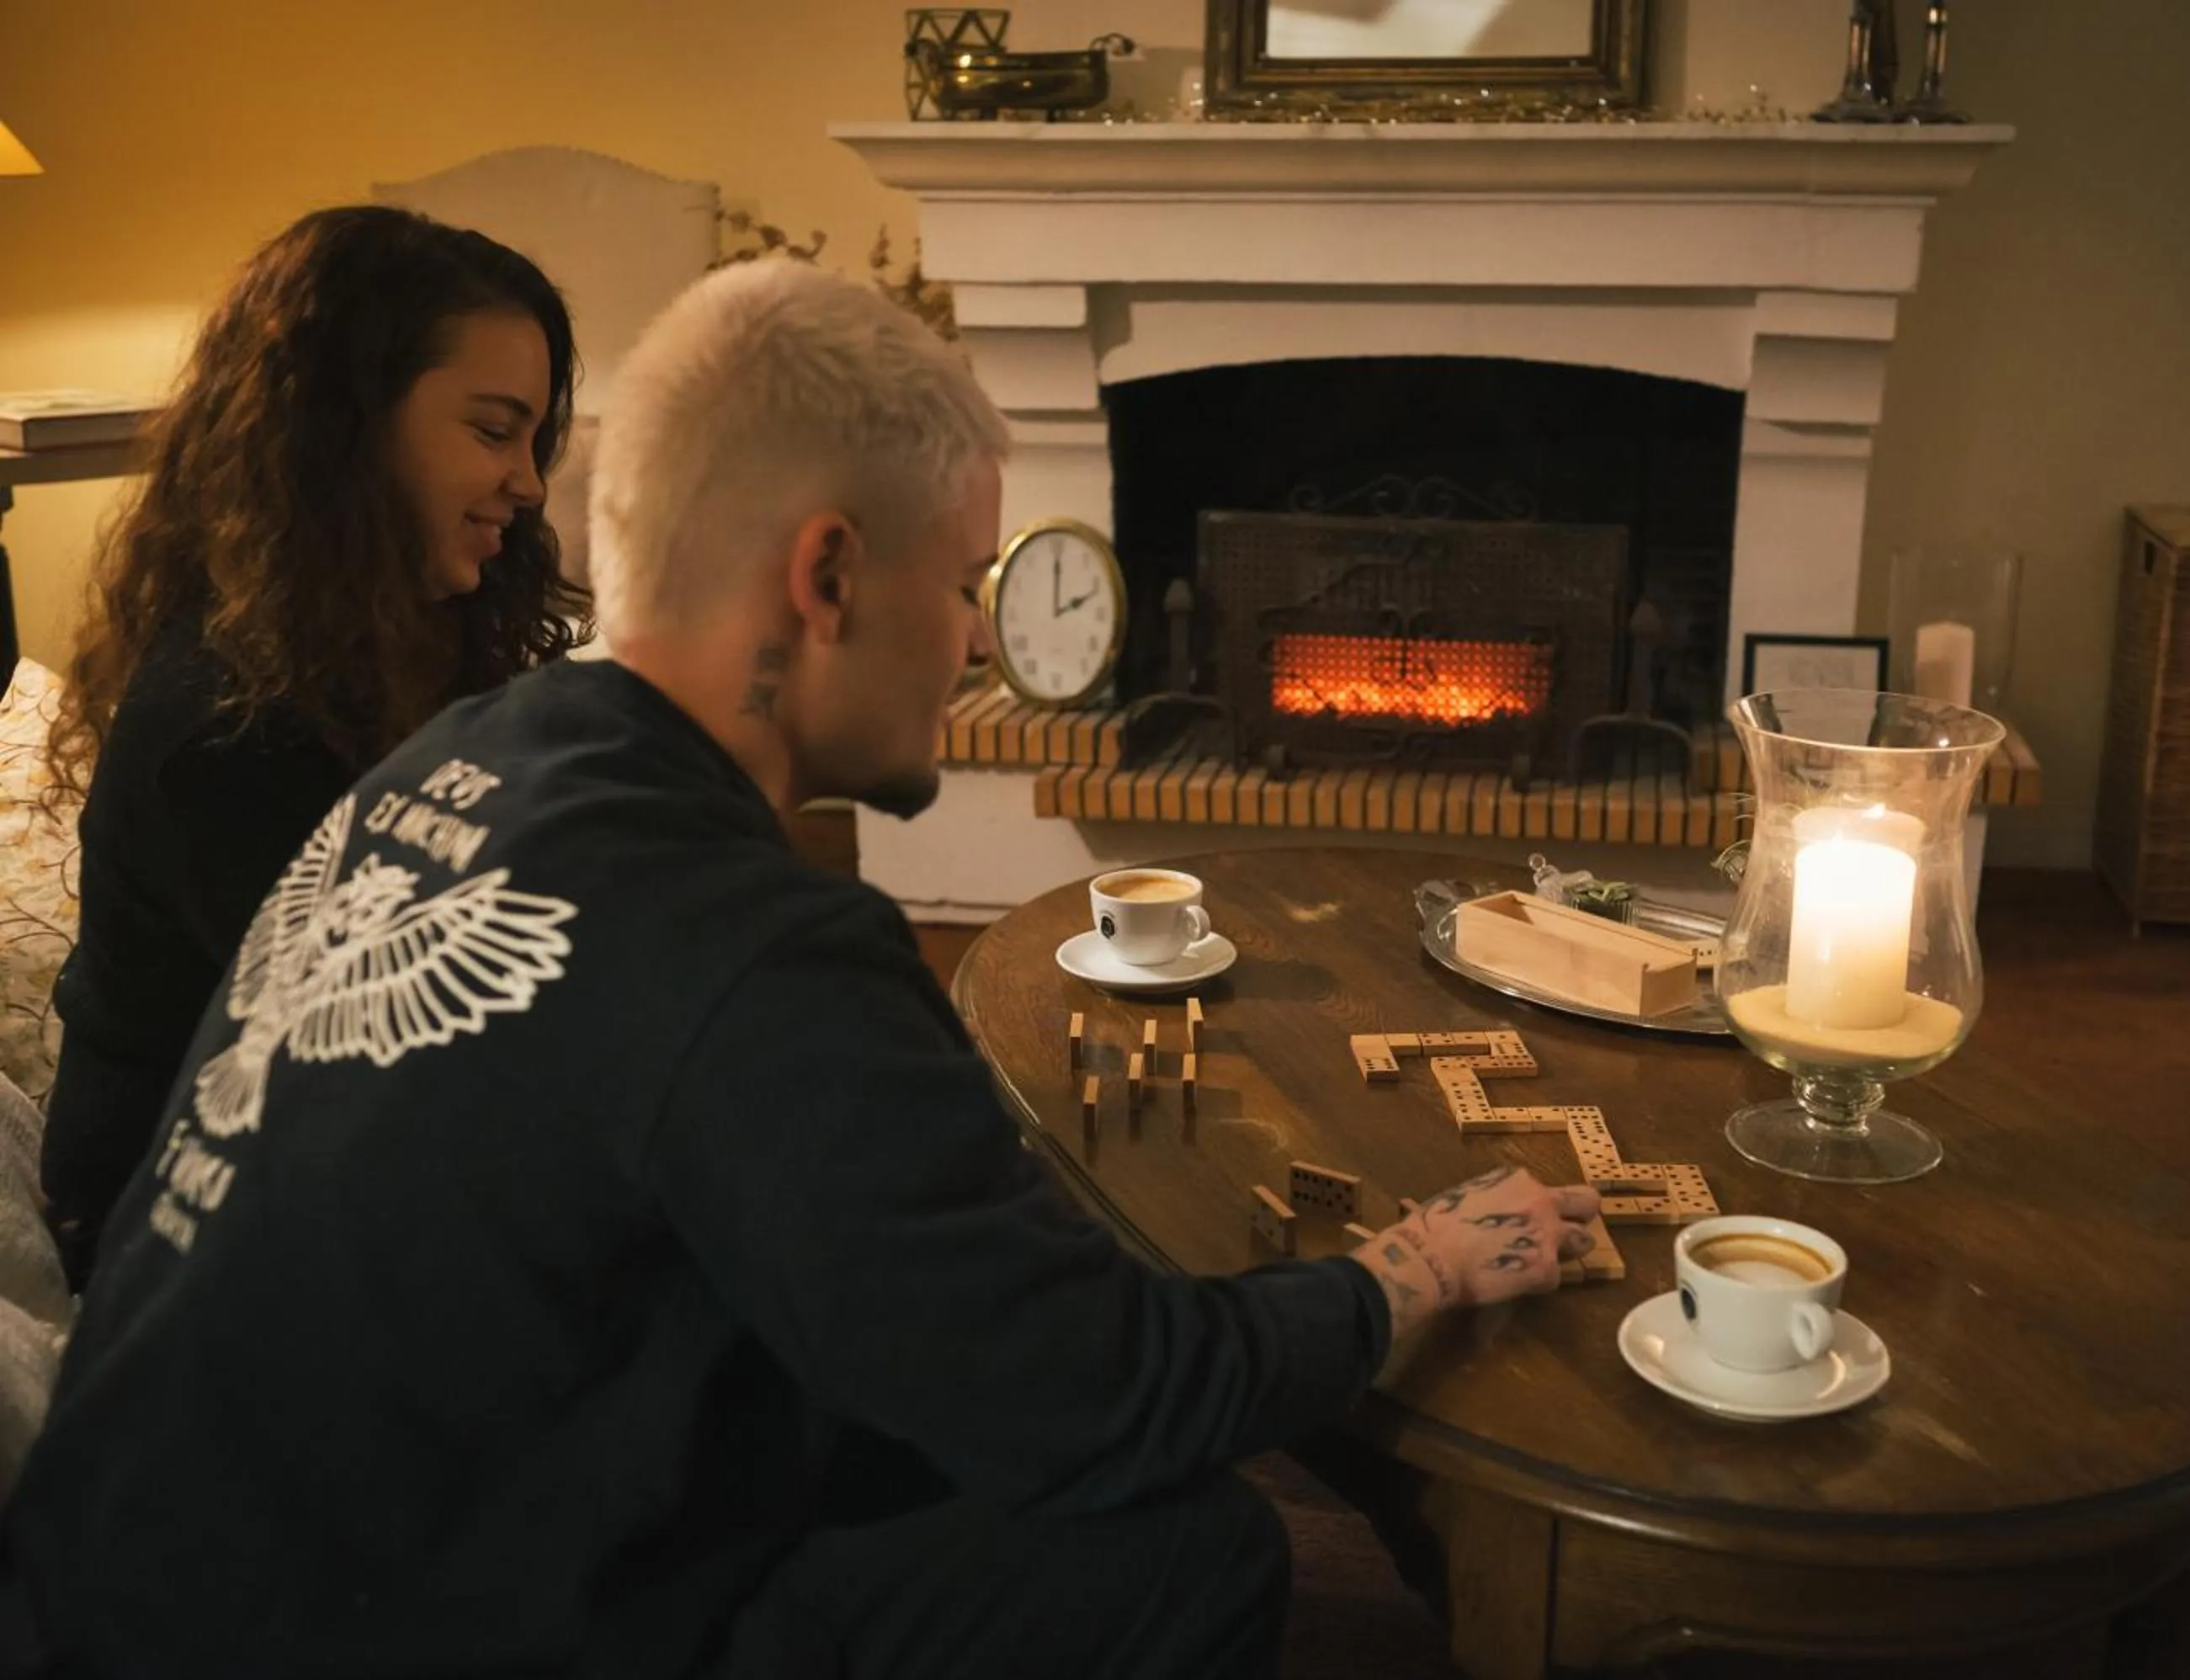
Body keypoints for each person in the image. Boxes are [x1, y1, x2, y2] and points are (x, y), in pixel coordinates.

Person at [1, 260, 1602, 1677]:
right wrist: (1416, 1271)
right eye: (963, 585)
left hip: (127, 1577)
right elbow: (1100, 1395)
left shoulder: (463, 759)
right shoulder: (746, 944)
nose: (980, 645)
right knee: (1192, 1550)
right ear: (827, 576)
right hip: (353, 1626)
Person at [35, 205, 588, 1286]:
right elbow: (403, 1070)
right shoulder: (227, 725)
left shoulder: (419, 646)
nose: (528, 483)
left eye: (534, 439)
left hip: (344, 1158)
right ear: (347, 427)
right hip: (186, 1230)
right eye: (492, 430)